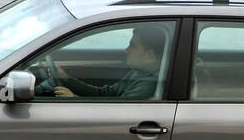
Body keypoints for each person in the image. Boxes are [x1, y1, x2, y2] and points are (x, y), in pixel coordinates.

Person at [36, 25, 165, 99]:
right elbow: (104, 94)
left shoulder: (148, 85)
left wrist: (74, 100)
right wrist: (66, 79)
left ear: (150, 55)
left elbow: (118, 115)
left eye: (132, 46)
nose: (126, 50)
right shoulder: (138, 72)